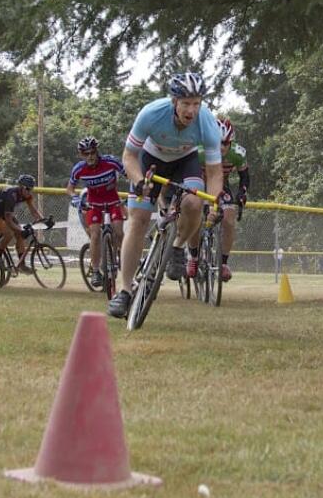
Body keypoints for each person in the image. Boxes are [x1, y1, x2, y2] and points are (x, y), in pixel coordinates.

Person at [107, 72, 224, 319]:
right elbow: (128, 157)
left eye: (197, 103)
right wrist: (138, 182)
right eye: (186, 104)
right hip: (150, 161)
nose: (191, 110)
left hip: (185, 162)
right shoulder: (151, 113)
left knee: (194, 203)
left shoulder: (207, 124)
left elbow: (214, 173)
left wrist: (215, 202)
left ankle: (178, 248)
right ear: (174, 102)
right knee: (138, 220)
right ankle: (124, 291)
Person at [66, 136, 126, 289]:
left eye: (92, 152)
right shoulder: (79, 169)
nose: (90, 156)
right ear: (81, 155)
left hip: (113, 201)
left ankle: (123, 258)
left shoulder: (110, 162)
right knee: (95, 233)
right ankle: (95, 270)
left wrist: (136, 189)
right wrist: (75, 198)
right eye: (86, 154)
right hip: (93, 204)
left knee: (119, 231)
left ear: (97, 151)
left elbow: (129, 174)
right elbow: (70, 188)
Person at [202, 117, 246, 282]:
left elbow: (244, 177)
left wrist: (242, 192)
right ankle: (193, 253)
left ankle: (224, 262)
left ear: (231, 143)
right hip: (201, 182)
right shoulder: (200, 150)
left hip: (221, 183)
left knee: (229, 218)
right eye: (217, 142)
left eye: (226, 144)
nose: (221, 147)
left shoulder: (238, 153)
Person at [0, 175, 47, 269]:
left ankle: (21, 265)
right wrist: (20, 231)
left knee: (20, 235)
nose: (29, 191)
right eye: (27, 189)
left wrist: (43, 220)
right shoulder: (11, 196)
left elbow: (33, 210)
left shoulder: (26, 195)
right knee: (9, 233)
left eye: (31, 189)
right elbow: (8, 220)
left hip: (4, 213)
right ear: (20, 187)